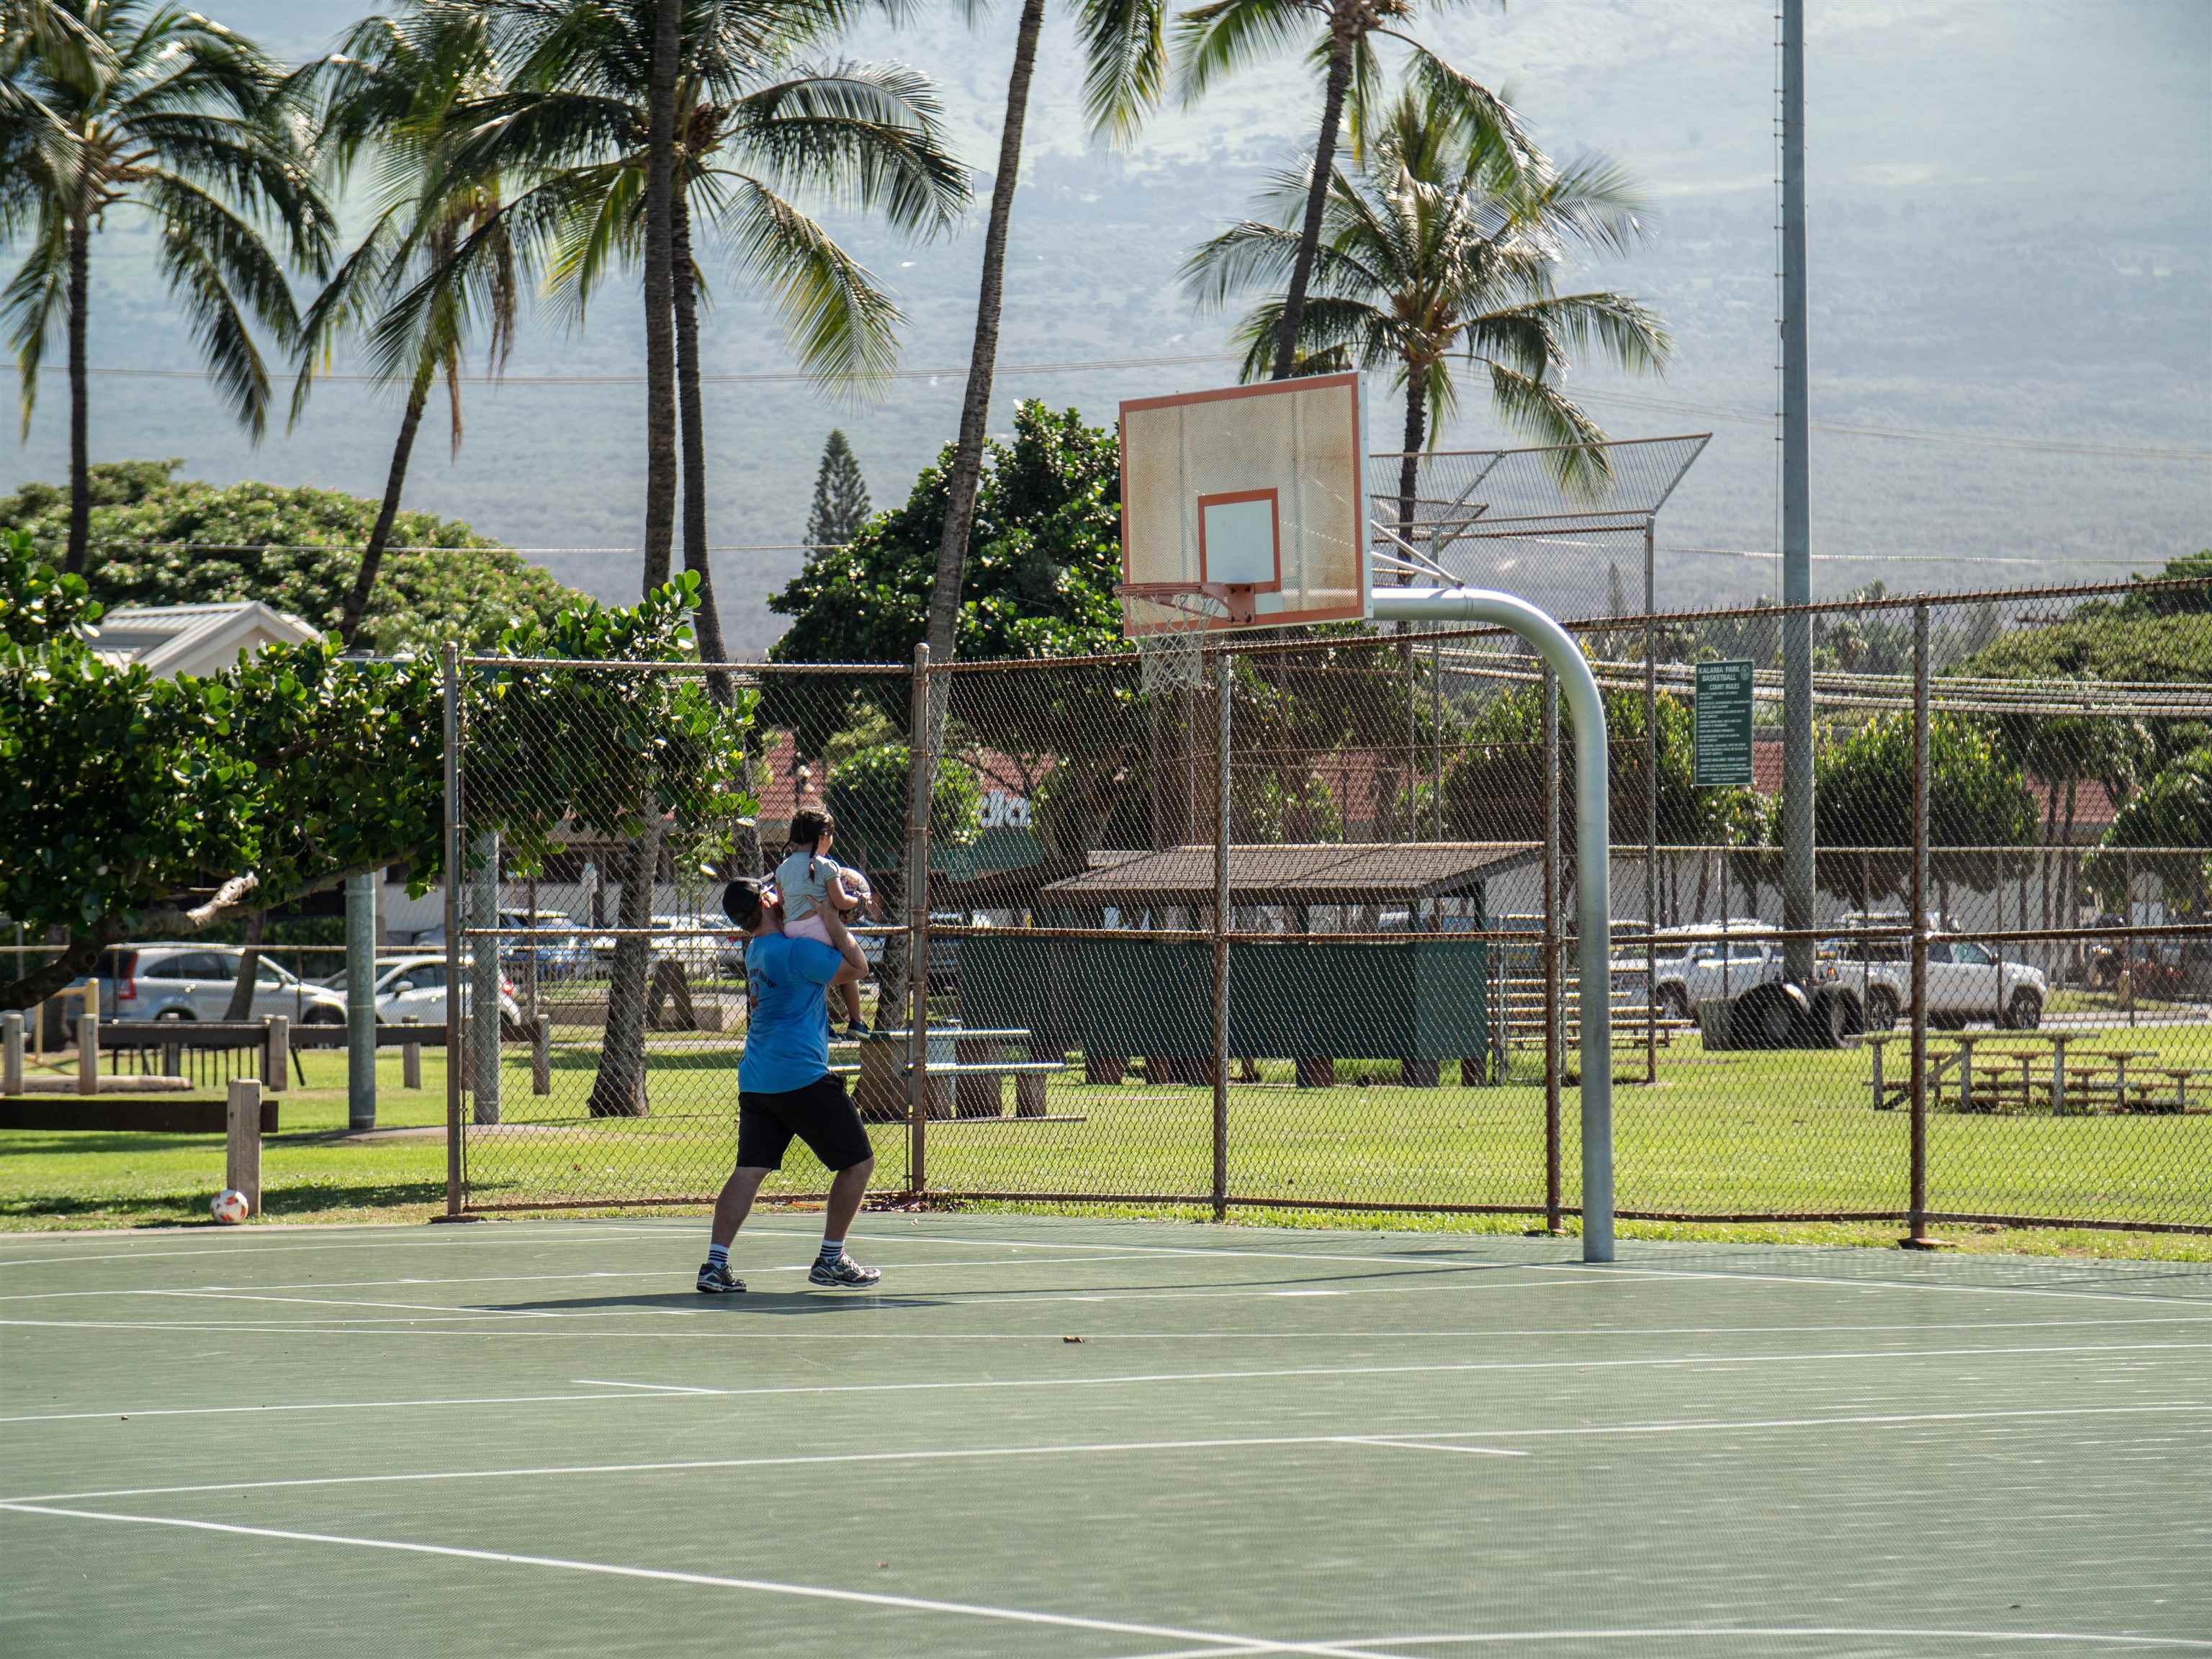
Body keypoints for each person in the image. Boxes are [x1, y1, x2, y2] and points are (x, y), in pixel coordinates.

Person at [696, 876, 881, 1294]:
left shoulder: (758, 950)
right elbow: (858, 967)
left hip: (759, 1079)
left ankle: (715, 1264)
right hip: (802, 1077)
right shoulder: (794, 951)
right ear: (764, 902)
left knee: (749, 1171)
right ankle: (831, 1258)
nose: (782, 896)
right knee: (859, 1164)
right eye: (774, 893)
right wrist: (831, 918)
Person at [773, 809, 872, 1037]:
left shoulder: (783, 868)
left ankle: (823, 1023)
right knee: (848, 963)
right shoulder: (827, 866)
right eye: (831, 833)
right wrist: (859, 899)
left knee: (820, 974)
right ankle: (856, 1021)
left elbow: (782, 902)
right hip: (818, 928)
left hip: (792, 932)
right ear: (822, 837)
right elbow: (840, 901)